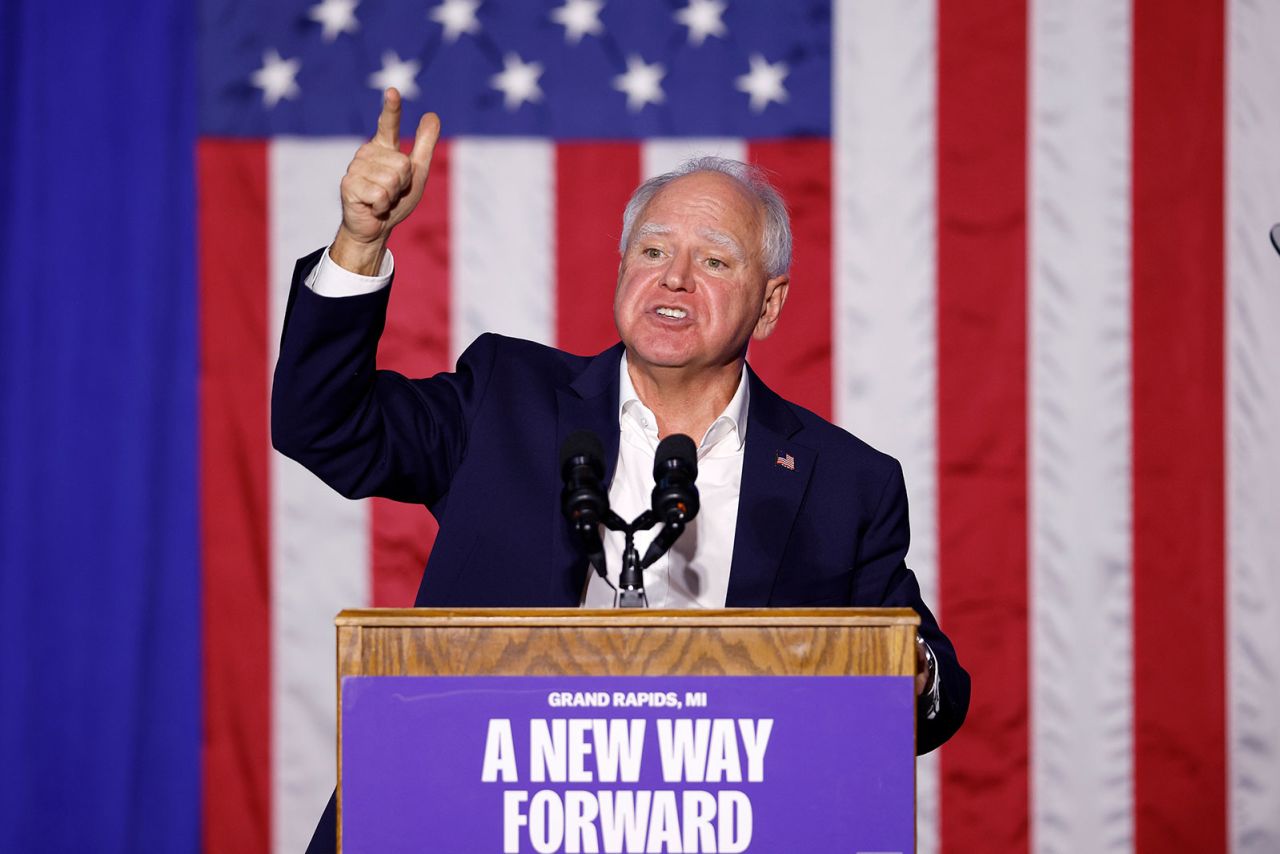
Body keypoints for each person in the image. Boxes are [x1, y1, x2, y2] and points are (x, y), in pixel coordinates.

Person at [273, 89, 969, 853]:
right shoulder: (506, 397)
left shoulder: (844, 483)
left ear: (768, 308)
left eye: (713, 260)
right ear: (622, 271)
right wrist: (359, 239)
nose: (674, 277)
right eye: (652, 250)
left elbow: (928, 679)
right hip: (465, 816)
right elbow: (323, 425)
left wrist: (915, 673)